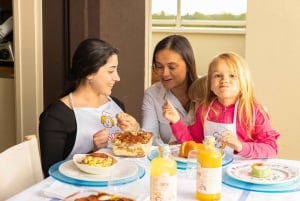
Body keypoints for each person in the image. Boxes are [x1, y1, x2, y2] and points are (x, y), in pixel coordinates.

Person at [39, 38, 138, 177]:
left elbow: (126, 154)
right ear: (89, 73)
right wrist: (93, 153)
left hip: (119, 179)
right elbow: (51, 173)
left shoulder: (116, 105)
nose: (117, 77)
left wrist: (133, 133)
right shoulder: (56, 116)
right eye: (111, 71)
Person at [162, 52, 280, 159]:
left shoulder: (254, 111)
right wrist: (176, 121)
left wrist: (241, 147)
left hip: (242, 174)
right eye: (218, 75)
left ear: (244, 81)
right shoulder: (204, 109)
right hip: (210, 170)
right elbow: (194, 145)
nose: (224, 80)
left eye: (232, 75)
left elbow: (271, 149)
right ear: (210, 84)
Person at [140, 34, 199, 144]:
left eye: (172, 67)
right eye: (159, 66)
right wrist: (169, 150)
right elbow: (149, 138)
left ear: (188, 65)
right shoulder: (152, 94)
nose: (164, 74)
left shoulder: (207, 91)